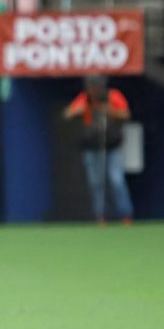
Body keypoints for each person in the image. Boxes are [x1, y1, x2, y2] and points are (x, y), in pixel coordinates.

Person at [63, 75, 134, 225]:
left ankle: (125, 215)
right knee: (96, 183)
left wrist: (109, 110)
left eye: (96, 87)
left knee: (116, 180)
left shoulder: (112, 96)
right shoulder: (85, 99)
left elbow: (126, 114)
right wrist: (81, 110)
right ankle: (100, 216)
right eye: (91, 87)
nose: (94, 90)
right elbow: (68, 114)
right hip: (91, 146)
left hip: (112, 145)